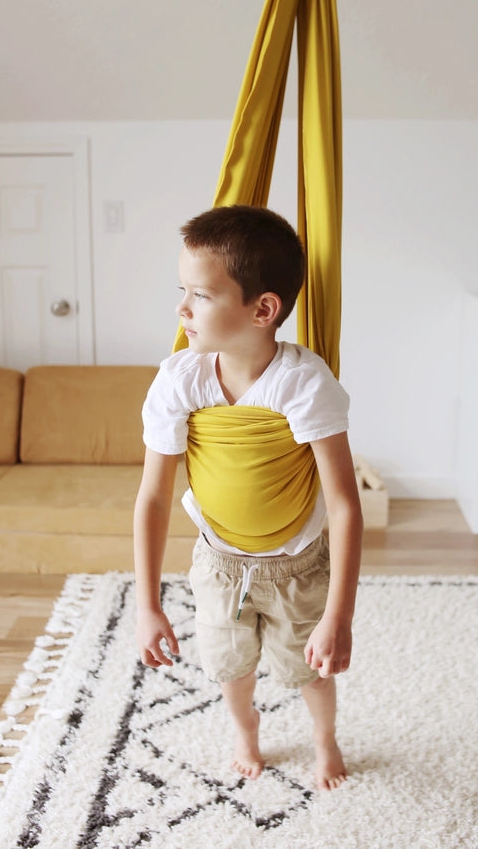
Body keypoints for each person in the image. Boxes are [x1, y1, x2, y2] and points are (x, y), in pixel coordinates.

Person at [134, 204, 363, 791]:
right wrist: (148, 602)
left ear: (263, 309)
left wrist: (339, 615)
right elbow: (154, 497)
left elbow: (343, 504)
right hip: (219, 561)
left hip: (297, 565)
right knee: (229, 666)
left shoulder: (305, 384)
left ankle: (323, 739)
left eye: (201, 296)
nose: (182, 310)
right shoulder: (179, 379)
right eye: (181, 291)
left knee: (308, 669)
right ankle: (245, 730)